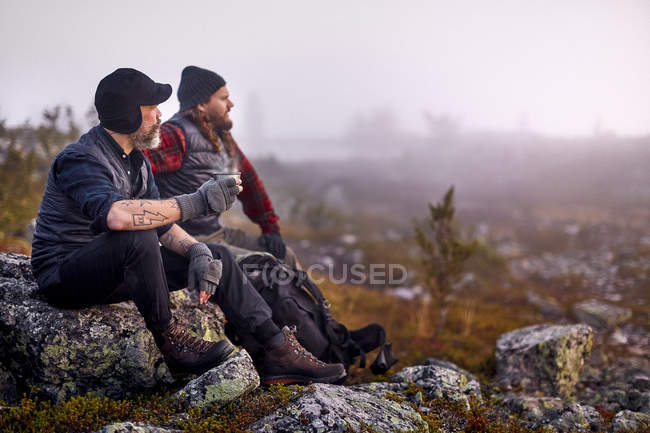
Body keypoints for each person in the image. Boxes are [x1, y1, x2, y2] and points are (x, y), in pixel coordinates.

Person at [30, 68, 345, 384]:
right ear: (127, 114)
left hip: (113, 272)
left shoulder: (136, 162)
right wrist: (196, 202)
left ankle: (279, 351)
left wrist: (196, 249)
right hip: (64, 277)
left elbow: (162, 226)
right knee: (136, 235)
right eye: (151, 107)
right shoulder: (81, 158)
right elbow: (117, 216)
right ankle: (171, 341)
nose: (160, 114)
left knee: (217, 254)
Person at [143, 66, 300, 268]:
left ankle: (318, 302)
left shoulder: (221, 138)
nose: (231, 104)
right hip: (187, 240)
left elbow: (250, 183)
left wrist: (271, 230)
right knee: (266, 267)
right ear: (201, 104)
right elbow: (133, 170)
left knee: (285, 256)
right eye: (224, 98)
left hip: (216, 232)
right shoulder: (174, 135)